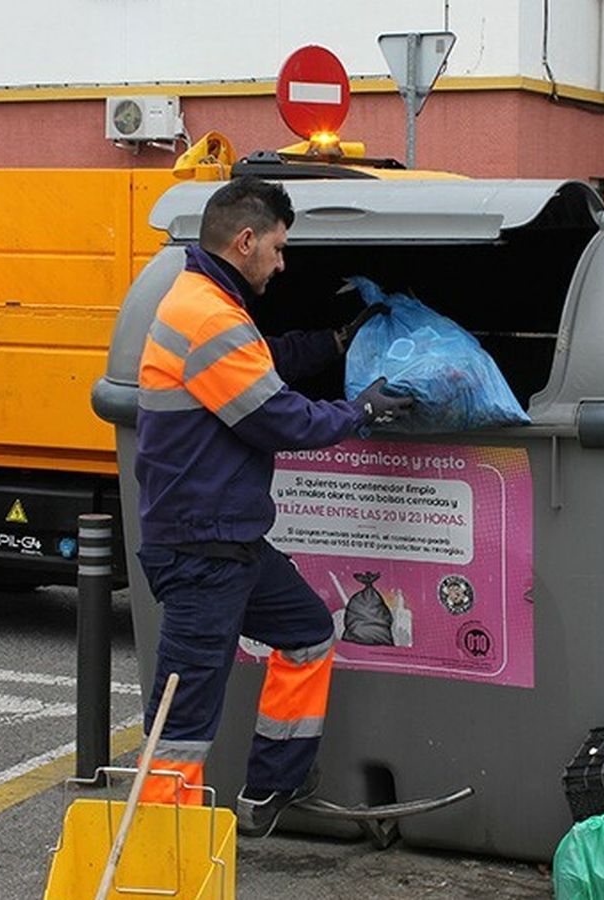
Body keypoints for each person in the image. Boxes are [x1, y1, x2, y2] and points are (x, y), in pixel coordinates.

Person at [131, 176, 412, 837]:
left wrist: (333, 345)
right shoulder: (208, 315)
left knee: (309, 632)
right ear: (247, 240)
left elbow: (264, 362)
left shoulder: (208, 303)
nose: (284, 264)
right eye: (280, 250)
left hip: (229, 539)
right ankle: (160, 843)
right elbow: (278, 417)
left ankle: (270, 786)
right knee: (184, 713)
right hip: (202, 545)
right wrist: (360, 410)